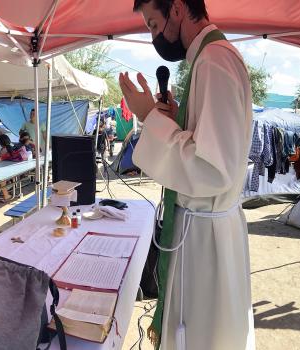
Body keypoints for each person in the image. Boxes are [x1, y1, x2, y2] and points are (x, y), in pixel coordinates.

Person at [120, 0, 255, 349]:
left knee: (201, 334)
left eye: (153, 24)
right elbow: (208, 144)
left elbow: (212, 168)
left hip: (205, 238)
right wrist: (178, 121)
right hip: (207, 227)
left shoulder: (213, 61)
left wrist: (150, 117)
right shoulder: (213, 57)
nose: (154, 37)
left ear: (177, 9)